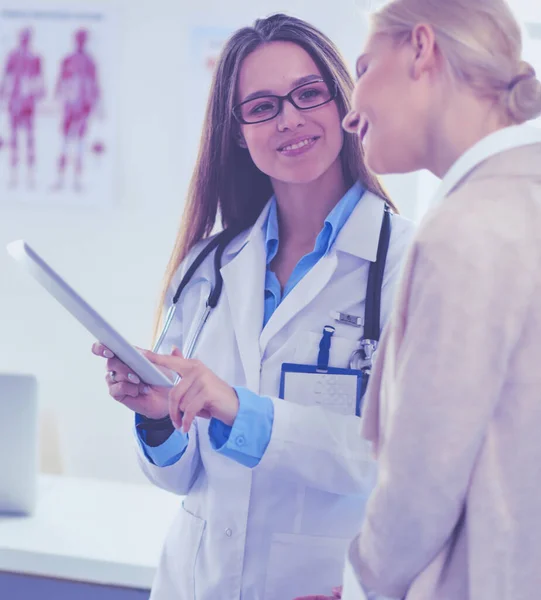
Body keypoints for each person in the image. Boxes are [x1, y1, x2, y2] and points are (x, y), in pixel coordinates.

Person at [92, 14, 415, 600]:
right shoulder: (206, 267)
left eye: (308, 94)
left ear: (342, 104)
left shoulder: (407, 263)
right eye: (262, 106)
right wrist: (160, 413)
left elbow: (392, 463)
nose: (289, 118)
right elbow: (181, 477)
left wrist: (238, 408)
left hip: (318, 583)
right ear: (238, 131)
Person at [335, 0, 541, 599]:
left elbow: (421, 486)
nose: (352, 113)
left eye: (365, 67)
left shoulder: (468, 228)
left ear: (422, 50)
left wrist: (360, 582)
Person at [52, 29, 100, 192]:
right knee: (64, 145)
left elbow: (95, 86)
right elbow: (60, 83)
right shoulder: (68, 60)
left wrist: (93, 106)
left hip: (82, 109)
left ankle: (77, 182)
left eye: (82, 39)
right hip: (69, 108)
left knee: (79, 145)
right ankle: (59, 180)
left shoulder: (89, 62)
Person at [0, 28, 45, 189]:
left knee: (29, 140)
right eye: (22, 37)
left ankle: (31, 177)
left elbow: (39, 79)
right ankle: (13, 176)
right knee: (14, 140)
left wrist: (39, 93)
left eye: (27, 37)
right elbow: (6, 76)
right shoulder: (12, 56)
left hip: (28, 103)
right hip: (15, 102)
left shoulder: (35, 58)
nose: (24, 40)